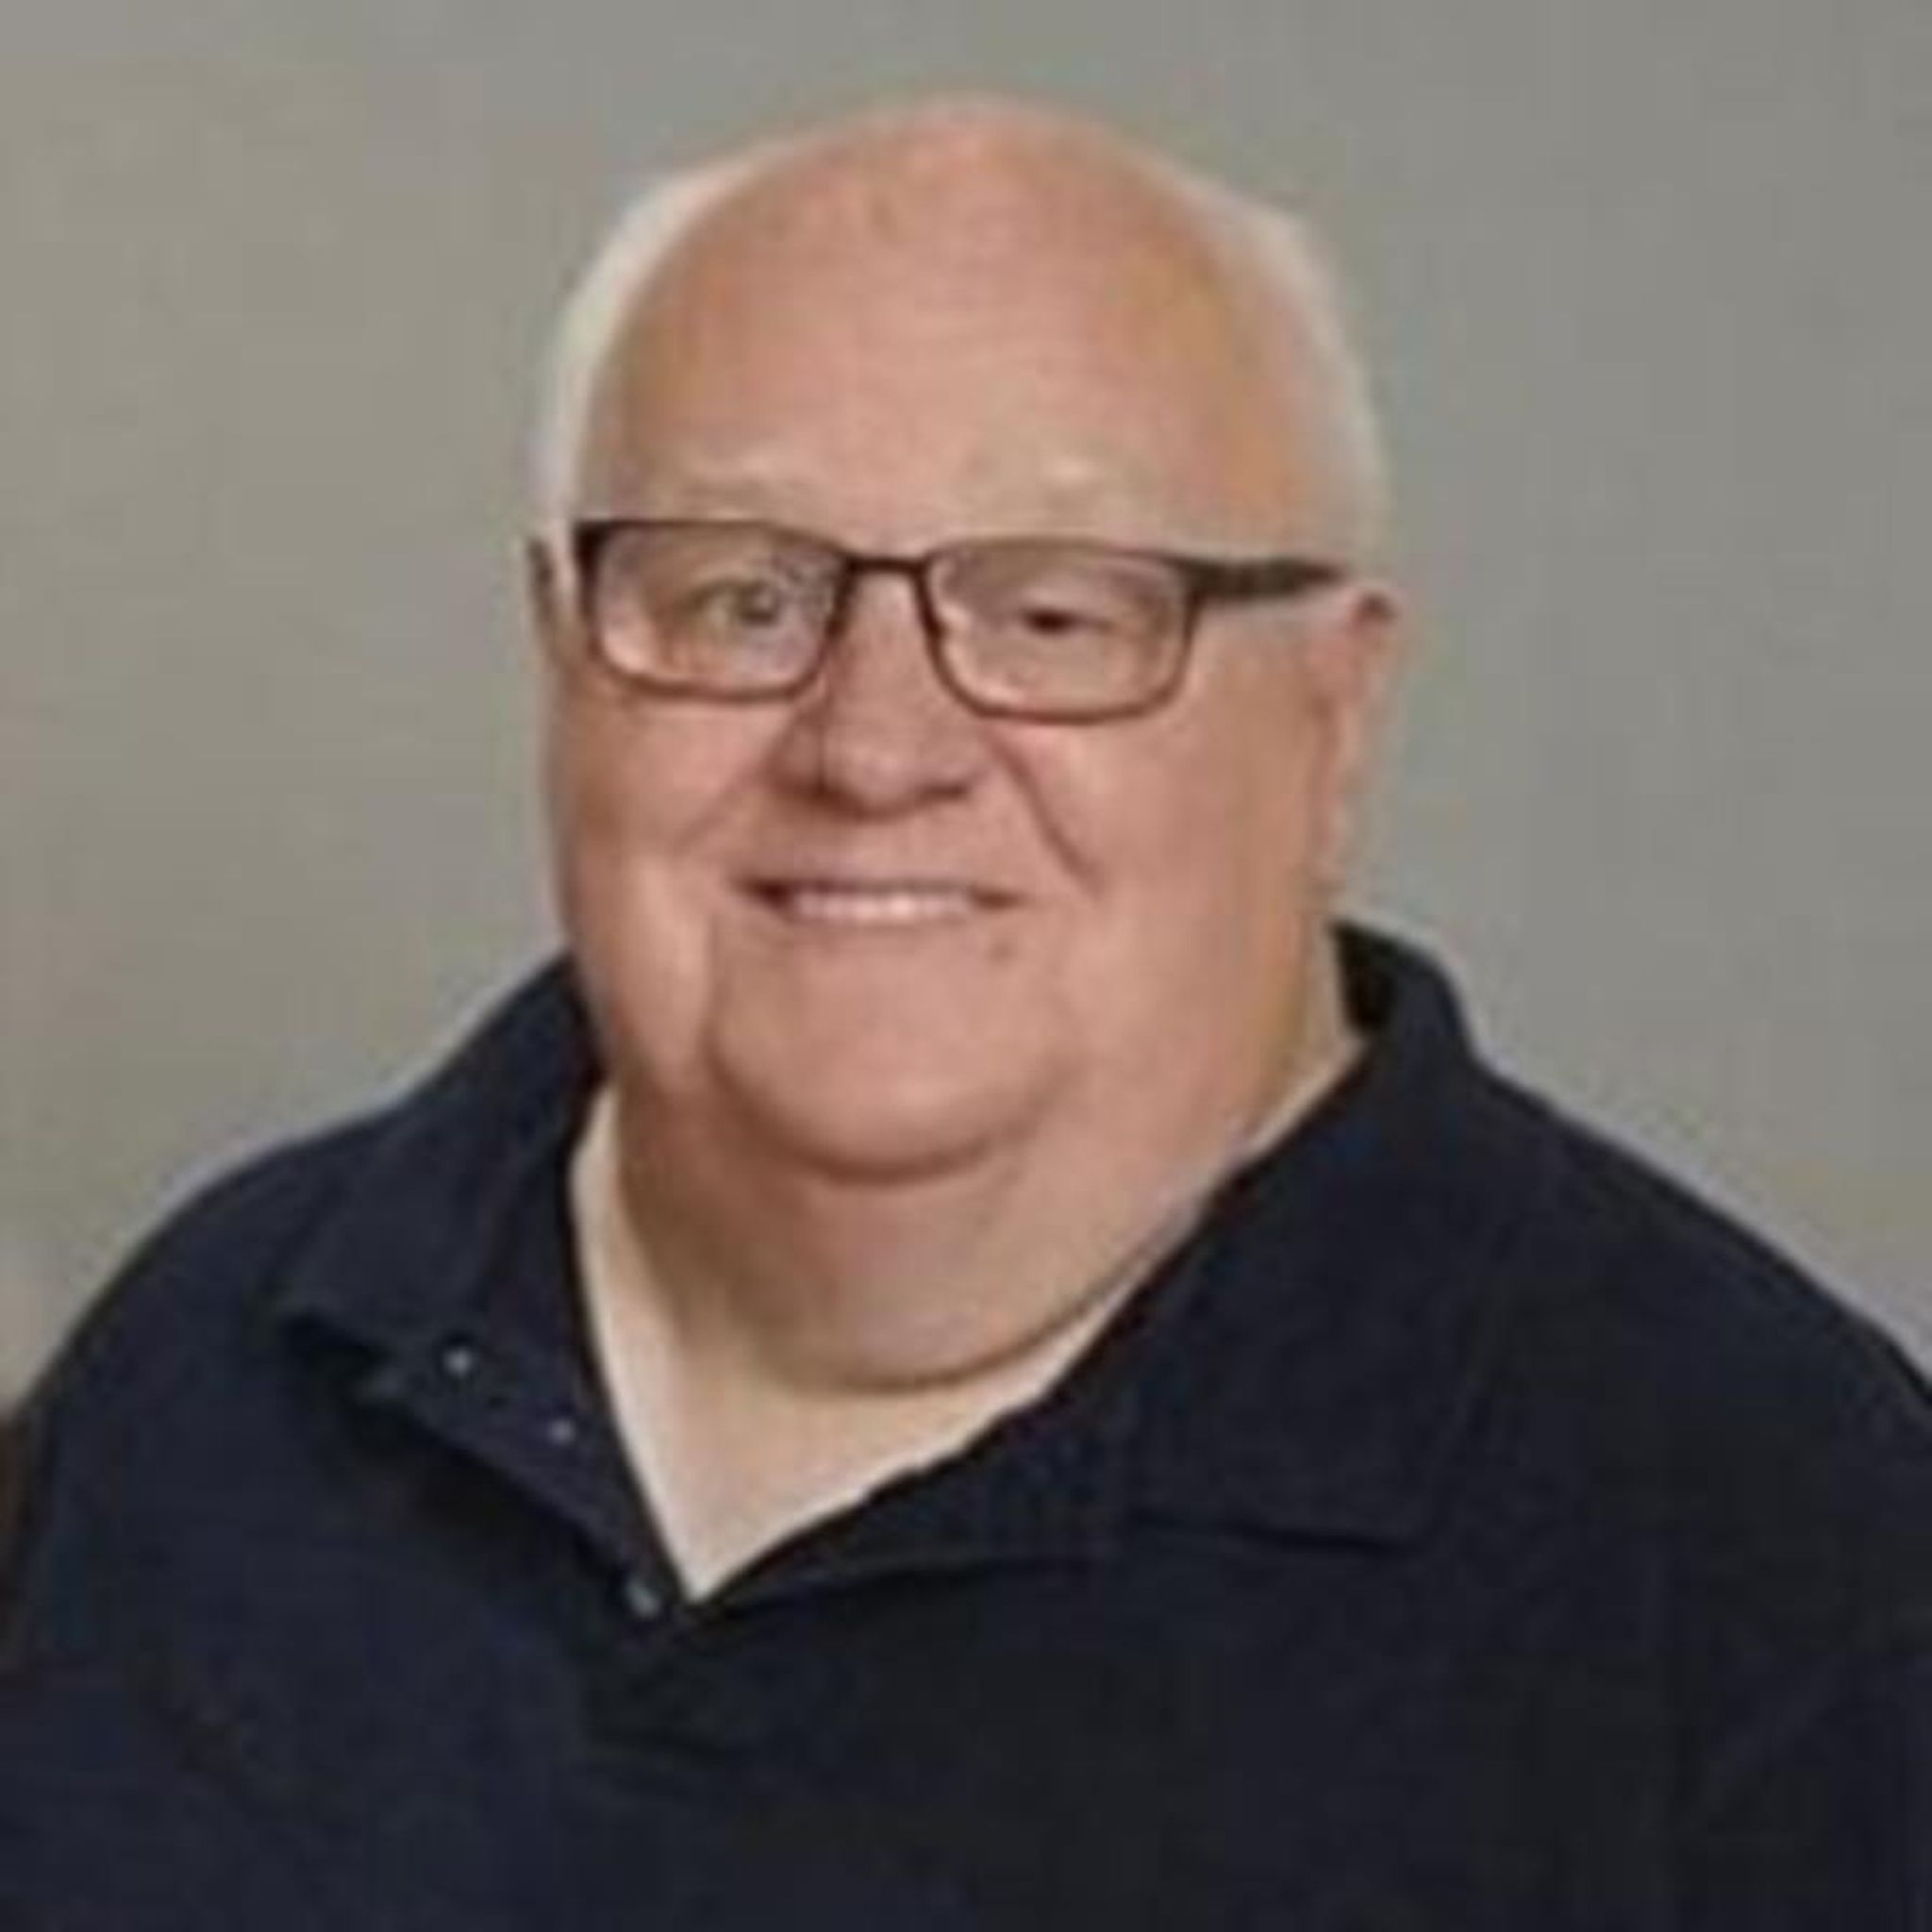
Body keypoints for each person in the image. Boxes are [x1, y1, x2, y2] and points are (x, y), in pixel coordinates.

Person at [4, 95, 1928, 1928]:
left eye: (1059, 614)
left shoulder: (1778, 1551)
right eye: (742, 599)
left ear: (1334, 716)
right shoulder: (210, 1369)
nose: (874, 745)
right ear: (559, 653)